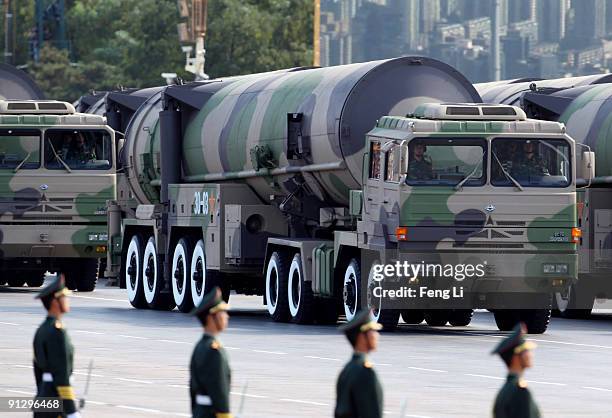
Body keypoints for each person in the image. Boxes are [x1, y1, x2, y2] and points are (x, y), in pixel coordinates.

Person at [33, 275, 81, 418]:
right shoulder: (57, 332)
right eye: (64, 297)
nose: (68, 300)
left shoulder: (41, 329)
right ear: (55, 301)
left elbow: (37, 371)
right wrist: (71, 411)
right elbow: (61, 376)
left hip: (43, 397)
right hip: (56, 401)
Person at [190, 287, 233, 418]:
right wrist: (226, 415)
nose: (226, 316)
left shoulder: (199, 347)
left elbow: (193, 389)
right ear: (211, 317)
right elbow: (219, 391)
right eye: (222, 312)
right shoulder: (214, 351)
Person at [335, 310, 383, 418]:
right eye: (373, 331)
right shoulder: (366, 374)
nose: (377, 335)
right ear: (362, 336)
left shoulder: (345, 371)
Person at [491, 322, 541, 418]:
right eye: (526, 351)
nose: (531, 355)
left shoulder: (504, 391)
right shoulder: (520, 393)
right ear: (516, 357)